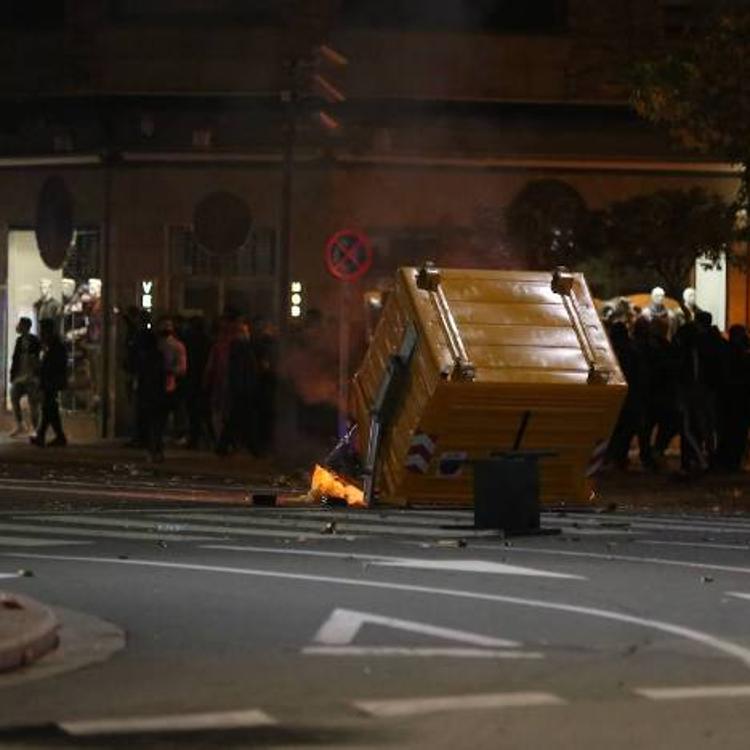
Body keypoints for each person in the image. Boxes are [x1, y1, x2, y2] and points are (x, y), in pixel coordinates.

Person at [30, 318, 68, 447]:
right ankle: (47, 435)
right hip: (50, 381)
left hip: (52, 381)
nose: (41, 334)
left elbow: (55, 366)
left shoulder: (56, 346)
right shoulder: (51, 346)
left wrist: (42, 370)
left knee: (49, 407)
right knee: (49, 408)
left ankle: (53, 436)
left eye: (42, 330)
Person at [134, 329, 168, 462]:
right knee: (157, 425)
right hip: (158, 394)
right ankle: (157, 449)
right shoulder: (158, 356)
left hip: (148, 394)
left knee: (150, 424)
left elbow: (141, 377)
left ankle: (152, 449)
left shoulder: (144, 358)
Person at [9, 317, 41, 437]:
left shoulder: (35, 340)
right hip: (19, 376)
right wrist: (12, 375)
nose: (18, 326)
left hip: (32, 377)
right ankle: (20, 424)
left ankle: (34, 428)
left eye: (20, 324)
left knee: (33, 403)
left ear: (25, 326)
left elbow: (37, 358)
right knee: (14, 396)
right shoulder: (19, 340)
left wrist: (37, 375)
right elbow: (15, 359)